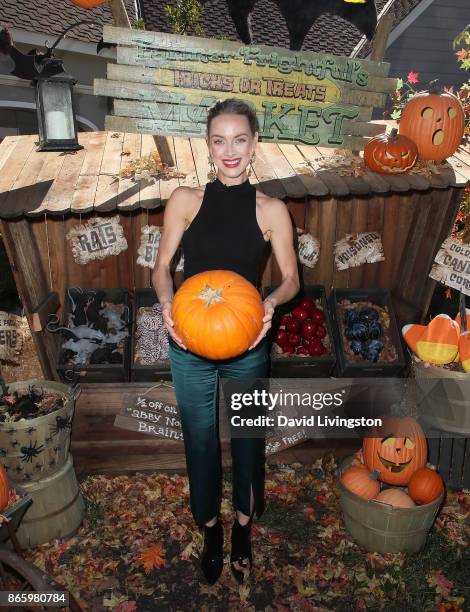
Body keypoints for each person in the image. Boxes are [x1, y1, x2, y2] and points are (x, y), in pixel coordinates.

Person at [152, 98, 299, 585]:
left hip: (248, 340)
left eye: (240, 139)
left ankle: (241, 528)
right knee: (198, 440)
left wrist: (272, 304)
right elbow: (161, 268)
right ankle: (210, 528)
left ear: (254, 143)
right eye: (220, 140)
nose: (230, 150)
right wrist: (167, 306)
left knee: (247, 439)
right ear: (208, 145)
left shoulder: (272, 210)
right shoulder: (185, 200)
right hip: (188, 341)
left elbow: (291, 280)